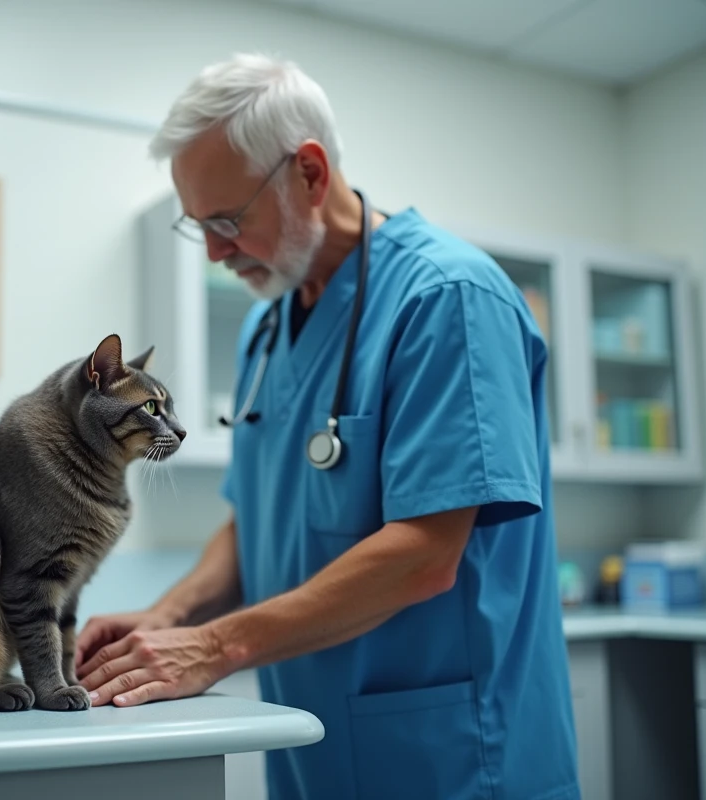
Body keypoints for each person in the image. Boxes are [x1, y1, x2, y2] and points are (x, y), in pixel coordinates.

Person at [74, 53, 579, 800]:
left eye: (227, 221)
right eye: (198, 226)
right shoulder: (267, 328)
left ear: (309, 173)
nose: (214, 251)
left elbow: (426, 556)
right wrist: (168, 615)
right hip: (315, 750)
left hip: (453, 758)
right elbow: (256, 521)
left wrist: (212, 646)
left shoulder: (449, 298)